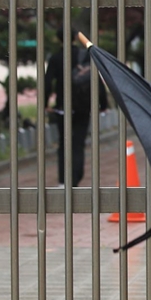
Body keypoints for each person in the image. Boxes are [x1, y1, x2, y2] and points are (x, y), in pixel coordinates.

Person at [45, 27, 108, 187]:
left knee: (64, 144)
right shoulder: (84, 56)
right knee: (78, 143)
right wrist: (103, 103)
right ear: (74, 37)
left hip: (62, 108)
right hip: (83, 107)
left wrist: (45, 104)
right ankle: (75, 178)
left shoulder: (56, 58)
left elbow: (47, 83)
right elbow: (96, 80)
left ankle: (63, 180)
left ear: (58, 39)